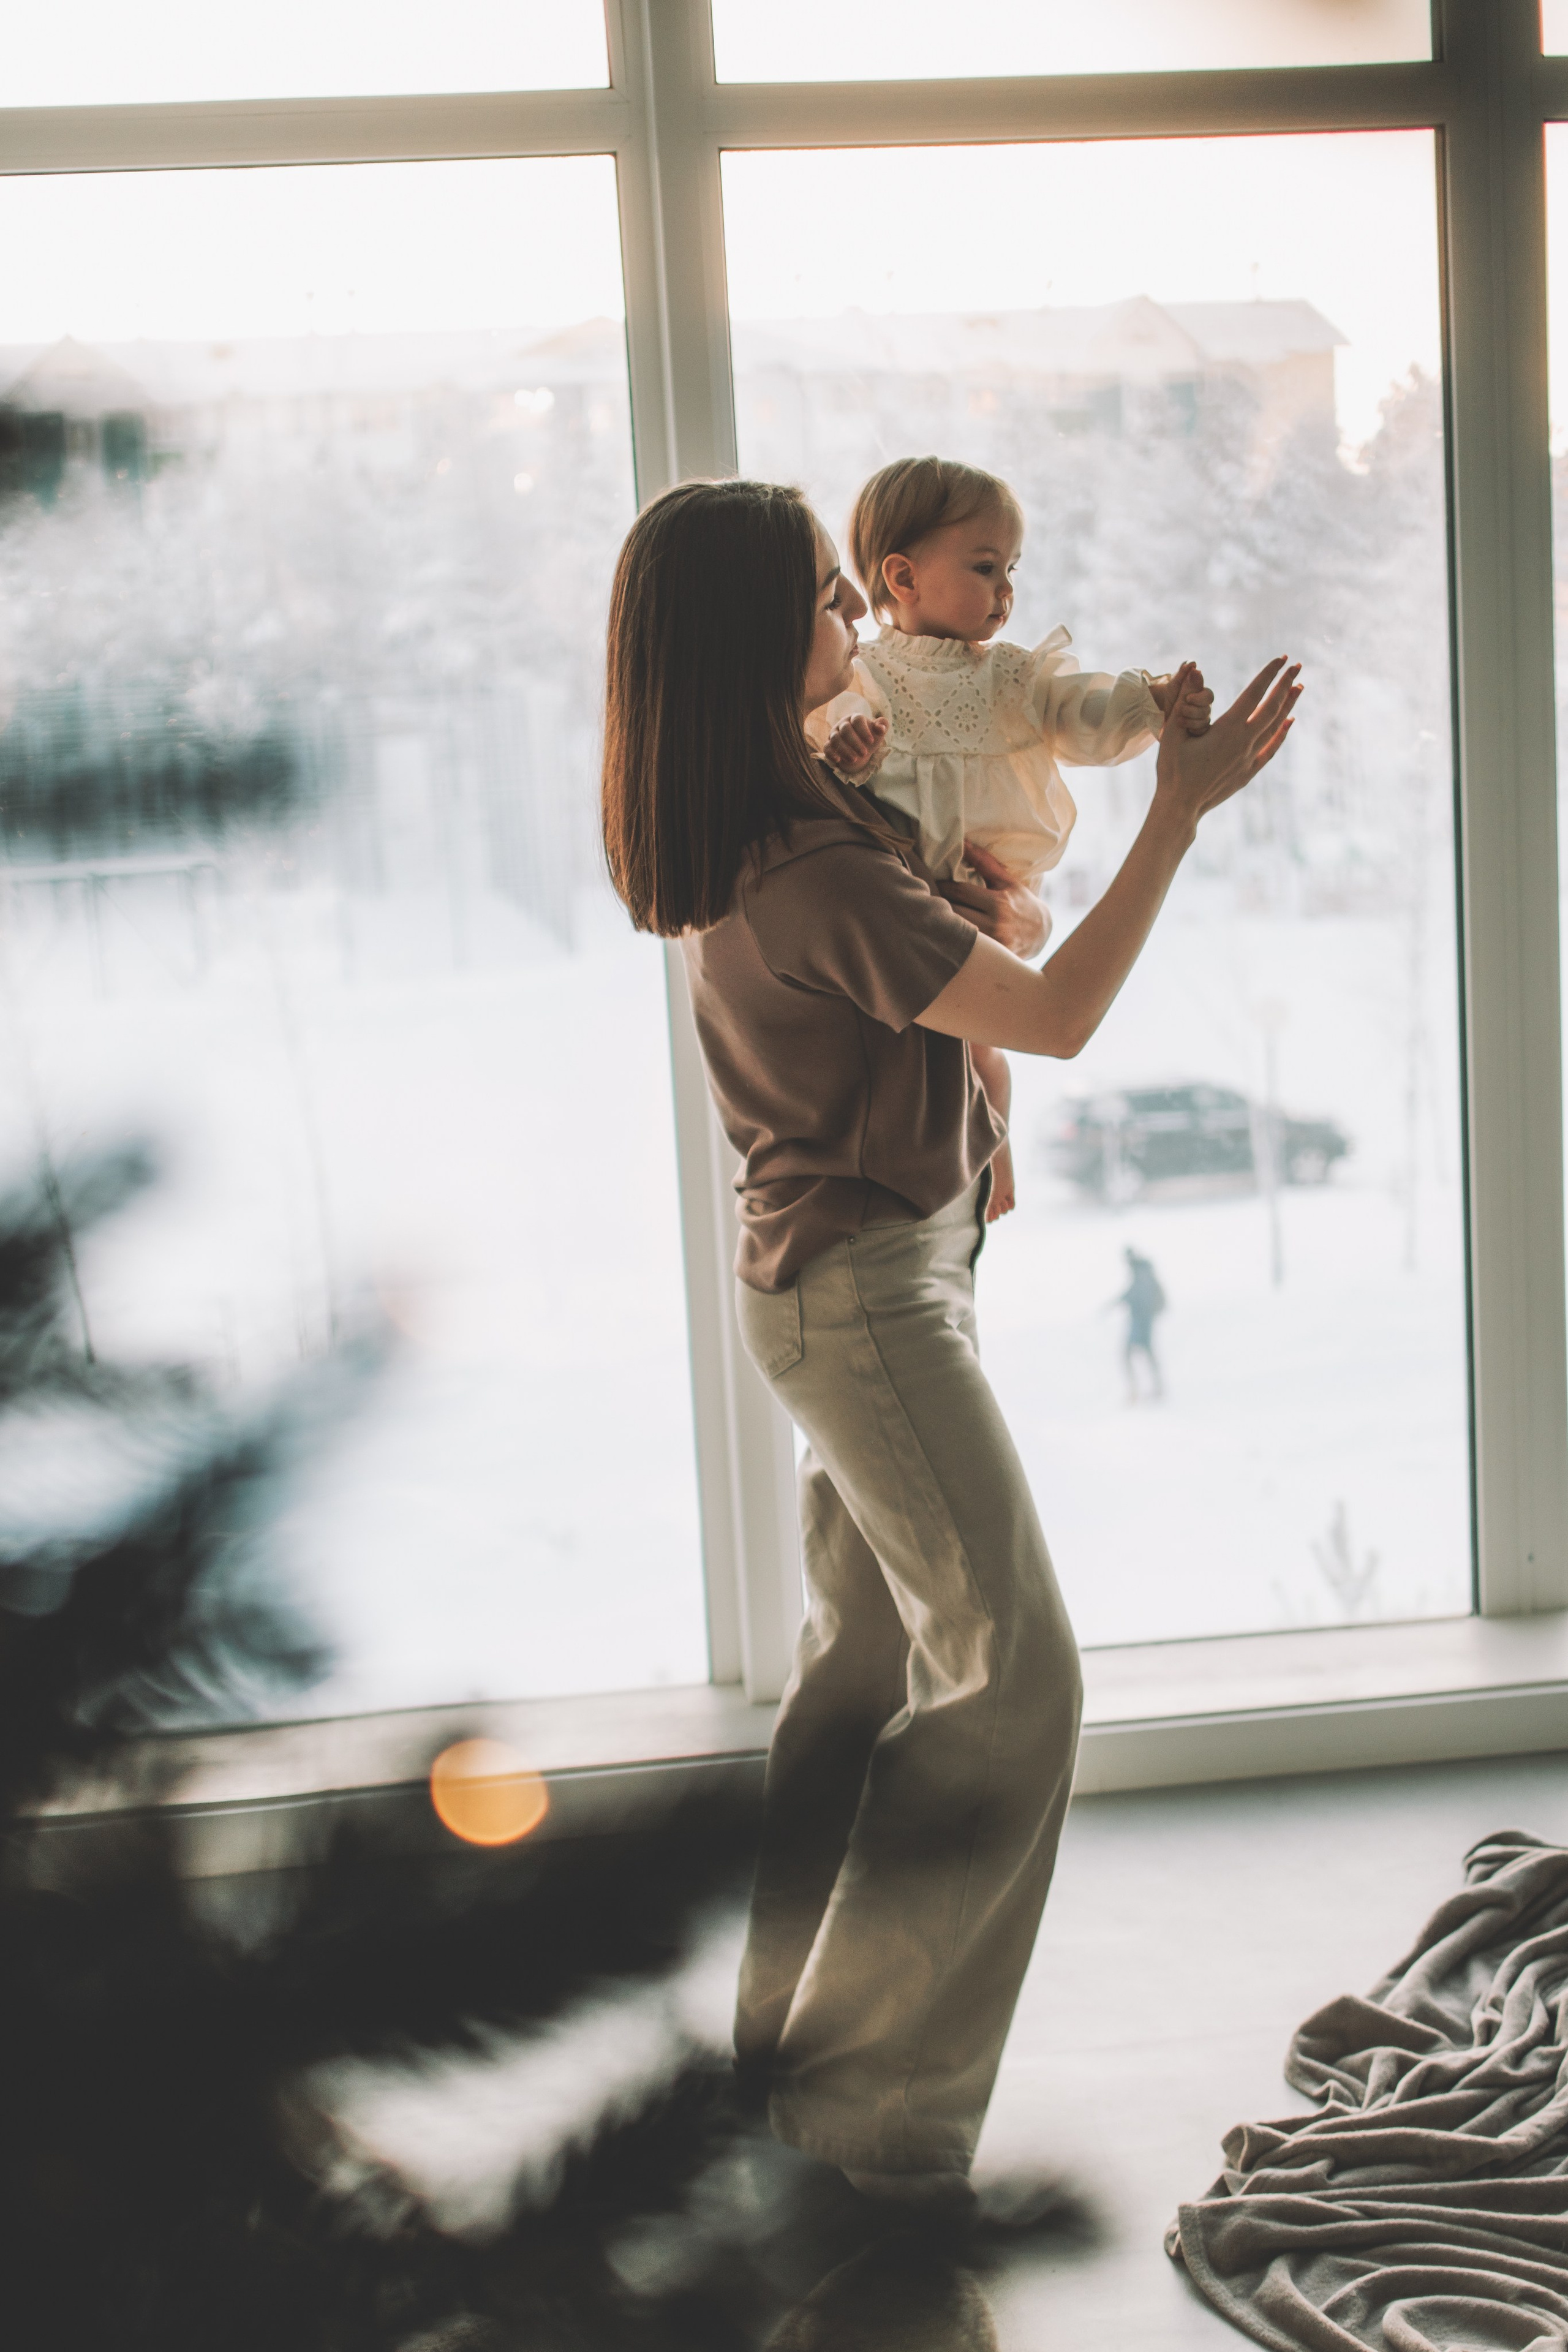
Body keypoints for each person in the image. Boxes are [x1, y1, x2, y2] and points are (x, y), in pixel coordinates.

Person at [600, 477, 1299, 2208]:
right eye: (837, 606)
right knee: (1015, 1682)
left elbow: (990, 950)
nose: (862, 627)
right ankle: (862, 2147)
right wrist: (1178, 818)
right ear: (764, 644)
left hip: (857, 1280)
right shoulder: (811, 867)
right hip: (867, 1303)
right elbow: (1055, 1018)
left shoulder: (790, 825)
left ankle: (782, 2081)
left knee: (866, 1684)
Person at [806, 455, 1213, 1223]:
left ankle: (996, 1150)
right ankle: (979, 1155)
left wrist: (1152, 701)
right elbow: (836, 774)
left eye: (1012, 569)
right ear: (903, 576)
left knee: (984, 1049)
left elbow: (1078, 713)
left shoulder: (1012, 678)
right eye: (986, 567)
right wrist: (852, 756)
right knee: (954, 1046)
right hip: (909, 899)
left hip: (985, 891)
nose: (1007, 592)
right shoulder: (862, 677)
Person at [1117, 1245, 1167, 1403]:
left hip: (1142, 1321)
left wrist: (1128, 1301)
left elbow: (1139, 1295)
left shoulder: (1141, 1271)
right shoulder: (1141, 1271)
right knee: (1144, 1353)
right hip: (1143, 1321)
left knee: (1131, 1353)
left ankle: (1138, 1390)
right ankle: (1154, 1388)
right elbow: (1134, 1292)